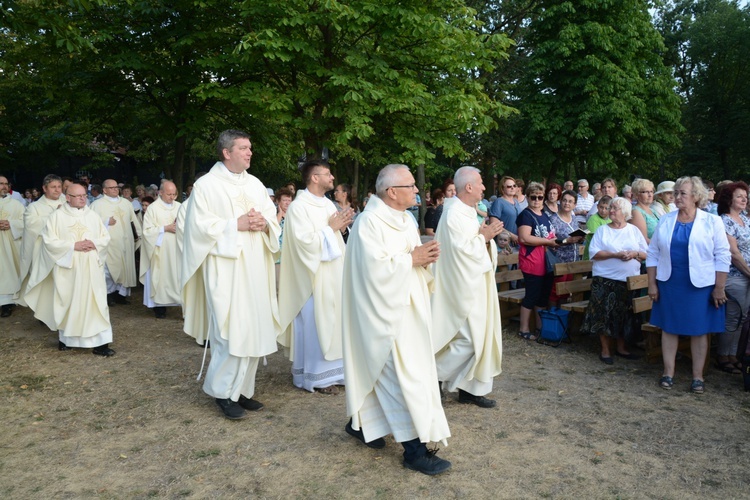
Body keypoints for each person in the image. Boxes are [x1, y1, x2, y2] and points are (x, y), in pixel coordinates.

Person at [342, 164, 451, 476]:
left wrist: (422, 257)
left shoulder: (402, 219)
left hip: (408, 310)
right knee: (401, 379)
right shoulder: (368, 223)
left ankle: (362, 426)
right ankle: (414, 451)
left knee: (386, 375)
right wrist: (412, 259)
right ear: (391, 192)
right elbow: (372, 271)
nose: (417, 191)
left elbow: (406, 258)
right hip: (383, 316)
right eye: (411, 186)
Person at [181, 129, 281, 419]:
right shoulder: (206, 186)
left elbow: (271, 222)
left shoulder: (256, 184)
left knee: (254, 326)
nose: (250, 153)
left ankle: (241, 390)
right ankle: (223, 393)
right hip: (226, 269)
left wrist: (265, 224)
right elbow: (196, 228)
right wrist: (234, 224)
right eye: (244, 148)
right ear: (227, 153)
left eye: (250, 148)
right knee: (231, 329)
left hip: (255, 268)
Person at [647, 176, 730, 394]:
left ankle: (697, 377)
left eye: (682, 193)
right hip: (670, 283)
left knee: (699, 330)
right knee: (669, 328)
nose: (677, 197)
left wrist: (719, 287)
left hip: (700, 285)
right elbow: (653, 253)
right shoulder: (666, 220)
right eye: (676, 193)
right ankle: (668, 373)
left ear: (696, 196)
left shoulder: (712, 221)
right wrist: (652, 284)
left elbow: (722, 255)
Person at [431, 167, 503, 408]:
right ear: (469, 187)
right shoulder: (453, 214)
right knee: (470, 340)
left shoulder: (468, 212)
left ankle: (469, 388)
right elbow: (461, 253)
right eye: (481, 183)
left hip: (477, 284)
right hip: (462, 286)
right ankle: (433, 376)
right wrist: (484, 238)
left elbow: (476, 245)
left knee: (481, 337)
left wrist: (487, 239)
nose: (484, 187)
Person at [278, 161, 353, 394]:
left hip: (334, 274)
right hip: (313, 277)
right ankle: (316, 377)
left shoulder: (326, 203)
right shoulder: (299, 207)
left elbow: (336, 237)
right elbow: (304, 244)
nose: (332, 178)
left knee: (335, 321)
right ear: (314, 178)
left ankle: (337, 373)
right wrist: (331, 228)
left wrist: (342, 228)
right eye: (327, 174)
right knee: (315, 323)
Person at [24, 182, 114, 355]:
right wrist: (74, 246)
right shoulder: (57, 217)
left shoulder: (92, 216)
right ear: (68, 197)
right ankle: (67, 339)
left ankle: (101, 344)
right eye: (78, 196)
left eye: (84, 195)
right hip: (68, 268)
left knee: (96, 303)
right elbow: (49, 242)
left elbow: (105, 237)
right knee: (69, 302)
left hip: (90, 267)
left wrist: (93, 243)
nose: (82, 199)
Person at [582, 197, 648, 364]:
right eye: (610, 208)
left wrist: (634, 254)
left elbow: (647, 253)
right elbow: (594, 254)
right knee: (604, 315)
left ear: (625, 213)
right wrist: (616, 254)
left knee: (624, 315)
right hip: (605, 279)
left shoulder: (633, 230)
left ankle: (621, 348)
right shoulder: (603, 230)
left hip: (628, 281)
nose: (611, 211)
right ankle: (605, 350)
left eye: (615, 209)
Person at [516, 182, 560, 339]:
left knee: (543, 296)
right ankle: (524, 329)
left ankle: (540, 328)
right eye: (533, 197)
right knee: (532, 295)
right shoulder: (525, 215)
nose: (536, 200)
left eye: (540, 197)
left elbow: (548, 235)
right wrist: (548, 242)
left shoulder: (545, 215)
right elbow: (524, 238)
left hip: (546, 260)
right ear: (527, 197)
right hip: (532, 261)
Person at [17, 174, 65, 309]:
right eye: (53, 187)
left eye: (59, 187)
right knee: (46, 283)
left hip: (64, 249)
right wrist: (54, 216)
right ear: (44, 188)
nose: (57, 190)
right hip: (42, 251)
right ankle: (44, 312)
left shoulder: (68, 202)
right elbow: (31, 225)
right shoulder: (35, 207)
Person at [91, 179, 142, 305]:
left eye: (116, 187)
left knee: (125, 267)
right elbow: (91, 224)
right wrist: (106, 222)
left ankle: (122, 295)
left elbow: (133, 220)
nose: (115, 189)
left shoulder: (126, 203)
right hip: (110, 243)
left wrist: (139, 234)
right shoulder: (97, 205)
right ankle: (109, 294)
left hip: (126, 241)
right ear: (104, 190)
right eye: (112, 187)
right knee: (110, 268)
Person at [716, 182, 750, 374]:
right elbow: (734, 253)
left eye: (745, 196)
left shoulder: (745, 219)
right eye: (739, 196)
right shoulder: (725, 220)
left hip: (746, 275)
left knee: (743, 317)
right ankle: (722, 356)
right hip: (734, 275)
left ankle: (734, 355)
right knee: (732, 316)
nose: (744, 199)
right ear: (729, 199)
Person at [139, 181, 182, 319]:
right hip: (159, 250)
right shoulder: (153, 209)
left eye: (174, 194)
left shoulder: (181, 207)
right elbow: (147, 231)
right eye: (169, 194)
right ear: (160, 193)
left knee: (178, 276)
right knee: (160, 276)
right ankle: (159, 307)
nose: (172, 197)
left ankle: (182, 304)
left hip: (177, 250)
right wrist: (165, 228)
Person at [548, 190, 584, 305]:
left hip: (573, 261)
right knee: (556, 292)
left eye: (570, 201)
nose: (567, 203)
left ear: (575, 205)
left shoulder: (574, 219)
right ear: (560, 201)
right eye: (564, 200)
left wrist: (580, 238)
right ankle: (552, 316)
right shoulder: (553, 219)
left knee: (567, 292)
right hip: (560, 261)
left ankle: (563, 317)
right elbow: (550, 241)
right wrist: (566, 241)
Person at [0, 175, 25, 318]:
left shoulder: (17, 205)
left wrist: (11, 224)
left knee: (8, 273)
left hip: (10, 246)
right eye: (0, 184)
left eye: (6, 184)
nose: (4, 186)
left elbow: (25, 222)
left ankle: (6, 304)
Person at [489, 176, 521, 245]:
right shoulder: (498, 202)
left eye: (514, 186)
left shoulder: (516, 202)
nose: (512, 188)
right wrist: (511, 236)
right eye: (509, 186)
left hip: (518, 242)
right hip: (503, 243)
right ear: (502, 188)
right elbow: (494, 224)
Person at [630, 178, 659, 243]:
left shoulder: (653, 210)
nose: (650, 195)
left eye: (651, 191)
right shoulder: (636, 212)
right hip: (650, 250)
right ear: (637, 195)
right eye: (646, 192)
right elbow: (643, 240)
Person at [583, 195, 612, 260]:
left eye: (606, 208)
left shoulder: (611, 219)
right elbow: (597, 239)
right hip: (592, 257)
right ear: (597, 207)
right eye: (601, 207)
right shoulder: (593, 219)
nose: (603, 211)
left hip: (606, 255)